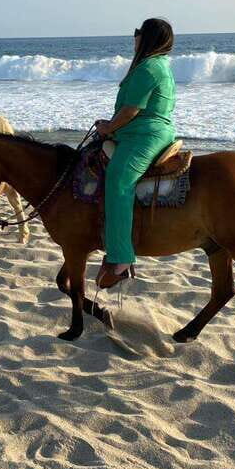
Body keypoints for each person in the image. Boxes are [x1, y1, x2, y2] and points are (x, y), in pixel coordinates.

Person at [94, 18, 177, 289]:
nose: (135, 37)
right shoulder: (156, 65)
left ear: (148, 38)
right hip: (134, 131)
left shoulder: (149, 68)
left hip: (144, 134)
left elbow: (131, 111)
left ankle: (121, 258)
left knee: (118, 180)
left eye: (138, 33)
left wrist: (108, 127)